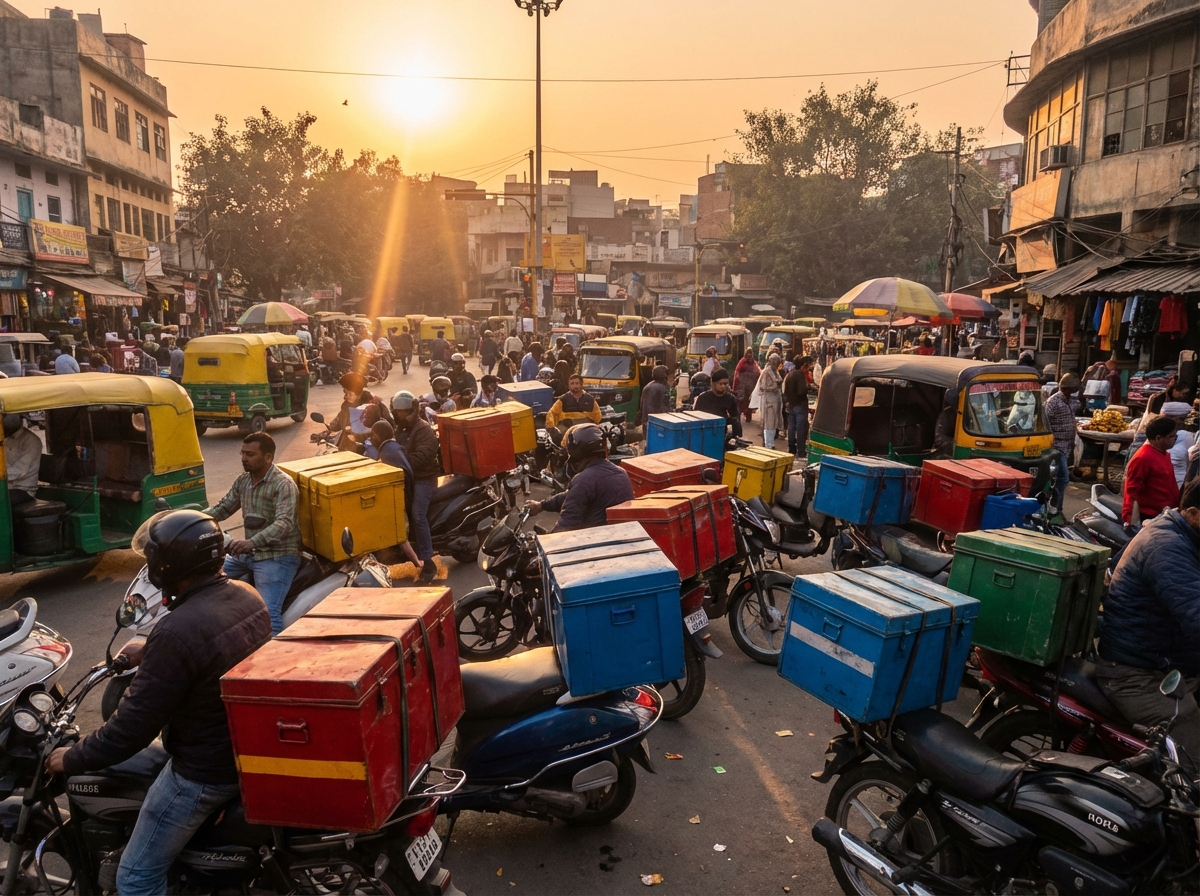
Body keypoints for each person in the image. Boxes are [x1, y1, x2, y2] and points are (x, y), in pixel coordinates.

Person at [45, 509, 272, 896]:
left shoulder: (176, 630)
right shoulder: (244, 594)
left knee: (134, 879)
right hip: (241, 749)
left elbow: (130, 730)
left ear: (169, 566)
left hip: (204, 772)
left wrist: (70, 757)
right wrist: (150, 648)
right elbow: (211, 648)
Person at [1094, 483, 1200, 772]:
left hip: (1171, 664)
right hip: (1139, 675)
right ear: (1193, 513)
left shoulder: (1186, 536)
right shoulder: (1167, 547)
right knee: (1195, 756)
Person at [205, 433, 302, 635]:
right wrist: (189, 518)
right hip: (247, 554)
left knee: (267, 613)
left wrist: (252, 543)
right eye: (242, 453)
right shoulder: (243, 481)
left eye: (250, 454)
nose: (243, 458)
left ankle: (272, 660)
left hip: (278, 556)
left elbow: (284, 523)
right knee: (204, 583)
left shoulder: (284, 485)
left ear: (267, 457)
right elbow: (222, 509)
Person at [527, 423, 633, 532]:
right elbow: (571, 496)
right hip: (621, 538)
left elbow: (566, 524)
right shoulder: (621, 473)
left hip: (595, 542)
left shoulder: (584, 480)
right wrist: (541, 505)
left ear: (577, 455)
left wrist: (547, 543)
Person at [392, 390, 440, 583]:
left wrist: (399, 462)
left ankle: (428, 562)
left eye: (405, 412)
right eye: (399, 412)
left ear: (414, 410)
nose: (402, 416)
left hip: (424, 478)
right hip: (407, 478)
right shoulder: (401, 429)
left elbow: (420, 458)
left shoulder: (423, 430)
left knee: (417, 514)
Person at [364, 420, 421, 567]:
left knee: (398, 530)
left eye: (374, 435)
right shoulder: (391, 447)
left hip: (401, 498)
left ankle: (417, 562)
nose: (371, 438)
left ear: (381, 436)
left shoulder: (387, 452)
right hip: (405, 493)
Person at [1123, 415, 1181, 525]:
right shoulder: (1143, 458)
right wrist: (1129, 518)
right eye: (1171, 437)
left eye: (1175, 436)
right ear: (1158, 438)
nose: (1174, 440)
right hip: (1150, 517)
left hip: (1166, 514)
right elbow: (1131, 491)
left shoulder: (1165, 454)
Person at [1044, 373, 1079, 515]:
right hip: (1057, 447)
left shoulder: (1066, 401)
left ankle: (1056, 508)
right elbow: (1046, 423)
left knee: (1060, 478)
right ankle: (1055, 508)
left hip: (1066, 446)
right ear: (1066, 389)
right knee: (1063, 478)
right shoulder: (1054, 401)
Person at [2, 415, 41, 506]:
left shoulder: (32, 441)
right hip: (5, 487)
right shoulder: (5, 438)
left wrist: (1, 476)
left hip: (23, 490)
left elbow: (20, 469)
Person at [695, 368, 742, 439]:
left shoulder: (731, 399)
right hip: (704, 434)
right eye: (720, 384)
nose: (723, 386)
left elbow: (736, 420)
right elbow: (695, 419)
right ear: (713, 384)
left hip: (723, 435)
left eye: (725, 383)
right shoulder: (703, 398)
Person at [783, 355, 815, 457]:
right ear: (802, 366)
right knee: (801, 429)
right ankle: (801, 451)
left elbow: (785, 391)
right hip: (800, 405)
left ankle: (791, 448)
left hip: (791, 405)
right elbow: (801, 391)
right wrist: (807, 388)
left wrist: (788, 401)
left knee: (791, 428)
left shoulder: (790, 374)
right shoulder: (800, 374)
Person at [758, 353, 784, 450]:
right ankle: (769, 443)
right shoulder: (766, 371)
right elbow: (763, 386)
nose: (776, 364)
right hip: (769, 400)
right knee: (769, 422)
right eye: (774, 362)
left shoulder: (776, 371)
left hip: (776, 399)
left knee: (774, 422)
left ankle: (771, 442)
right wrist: (774, 386)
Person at [639, 364, 671, 429]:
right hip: (657, 422)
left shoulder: (647, 386)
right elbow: (664, 406)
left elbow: (642, 405)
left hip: (646, 420)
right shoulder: (662, 388)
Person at [734, 348, 760, 422]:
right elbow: (738, 373)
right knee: (744, 402)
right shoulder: (746, 362)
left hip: (746, 386)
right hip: (745, 386)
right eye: (748, 353)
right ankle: (745, 417)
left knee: (745, 402)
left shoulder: (747, 362)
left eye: (750, 353)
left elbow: (737, 374)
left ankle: (745, 417)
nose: (749, 355)